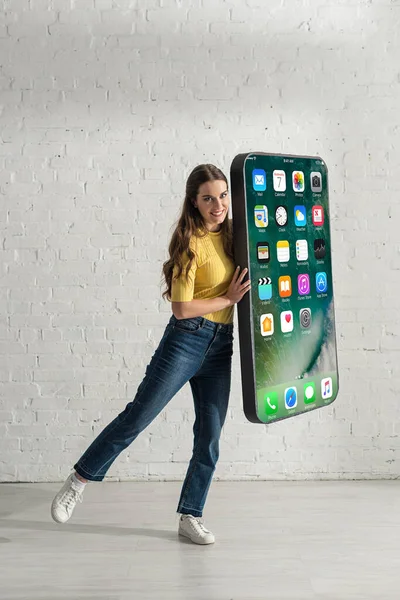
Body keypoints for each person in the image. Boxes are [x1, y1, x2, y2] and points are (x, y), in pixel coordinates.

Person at [51, 164, 251, 545]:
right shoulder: (189, 242)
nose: (218, 205)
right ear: (194, 202)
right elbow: (180, 308)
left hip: (221, 345)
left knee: (210, 435)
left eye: (223, 196)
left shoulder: (234, 237)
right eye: (208, 197)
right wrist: (227, 298)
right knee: (138, 416)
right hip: (186, 339)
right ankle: (79, 479)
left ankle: (190, 515)